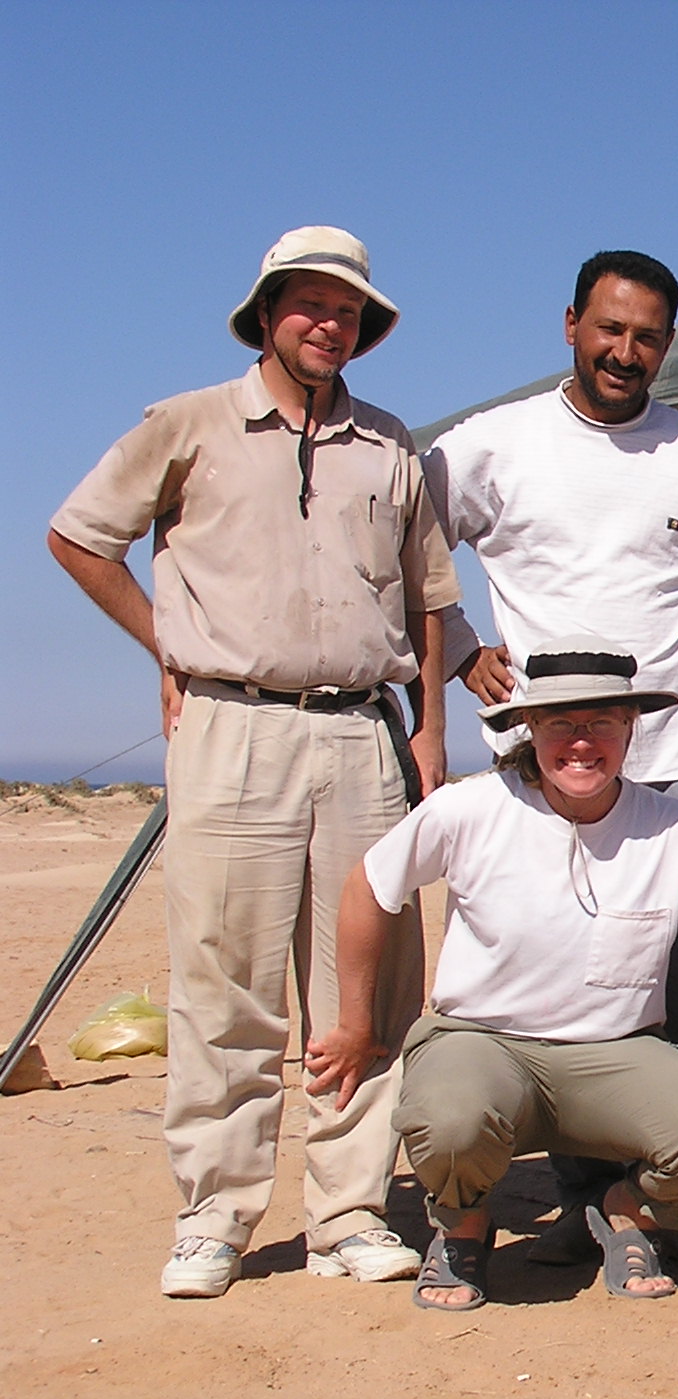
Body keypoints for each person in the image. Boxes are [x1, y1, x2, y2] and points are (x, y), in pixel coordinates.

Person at [46, 226, 456, 1298]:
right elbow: (82, 535)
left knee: (366, 986)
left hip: (365, 733)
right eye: (309, 304)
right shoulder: (187, 425)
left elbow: (429, 601)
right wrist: (167, 644)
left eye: (348, 309)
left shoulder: (394, 445)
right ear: (267, 311)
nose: (329, 323)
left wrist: (429, 730)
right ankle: (213, 1217)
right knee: (222, 981)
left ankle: (349, 1212)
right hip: (231, 729)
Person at [428, 250, 678, 1264]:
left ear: (667, 346)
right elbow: (409, 540)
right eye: (608, 329)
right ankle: (586, 1200)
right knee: (564, 984)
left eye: (645, 337)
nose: (624, 351)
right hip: (543, 772)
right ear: (569, 326)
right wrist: (462, 651)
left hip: (677, 759)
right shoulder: (493, 445)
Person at [326, 640, 678, 1310]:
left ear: (631, 729)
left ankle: (628, 1210)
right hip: (482, 1043)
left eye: (602, 723)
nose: (583, 743)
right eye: (562, 724)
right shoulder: (471, 809)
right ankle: (461, 1226)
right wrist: (354, 1023)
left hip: (618, 1056)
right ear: (530, 730)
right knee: (447, 1119)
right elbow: (366, 888)